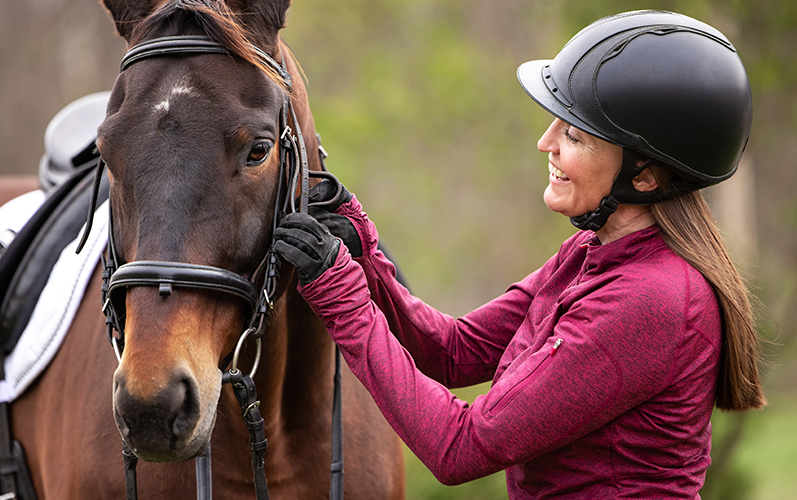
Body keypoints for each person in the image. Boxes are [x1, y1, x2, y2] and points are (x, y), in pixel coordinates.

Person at [272, 10, 766, 499]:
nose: (545, 142)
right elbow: (452, 351)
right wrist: (363, 251)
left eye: (574, 135)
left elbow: (459, 447)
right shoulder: (591, 253)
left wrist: (343, 298)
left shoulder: (651, 299)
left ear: (645, 175)